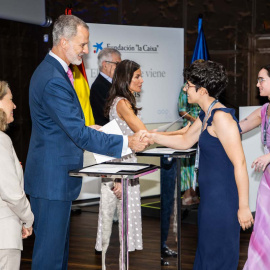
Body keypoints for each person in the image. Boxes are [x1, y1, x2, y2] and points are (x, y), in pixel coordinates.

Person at [24, 15, 149, 270]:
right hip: (51, 180)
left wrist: (84, 128)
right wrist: (126, 143)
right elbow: (78, 135)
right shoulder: (53, 79)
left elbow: (65, 126)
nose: (86, 50)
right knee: (50, 257)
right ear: (63, 41)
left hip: (54, 179)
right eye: (82, 44)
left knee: (57, 254)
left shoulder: (55, 71)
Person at [139, 60, 254, 269]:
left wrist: (244, 207)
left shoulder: (222, 118)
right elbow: (185, 141)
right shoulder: (206, 114)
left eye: (188, 85)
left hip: (223, 201)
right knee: (207, 255)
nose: (184, 89)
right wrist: (152, 137)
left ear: (202, 90)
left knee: (217, 257)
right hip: (210, 199)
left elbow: (240, 163)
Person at [95, 60, 189, 269]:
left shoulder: (123, 101)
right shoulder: (122, 103)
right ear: (125, 78)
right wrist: (179, 133)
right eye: (137, 76)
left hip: (126, 165)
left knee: (123, 226)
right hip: (120, 168)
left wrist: (176, 133)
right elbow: (144, 134)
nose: (141, 80)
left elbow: (142, 135)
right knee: (115, 225)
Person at [0, 81, 34, 270]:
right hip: (4, 236)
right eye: (10, 100)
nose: (14, 105)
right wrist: (28, 218)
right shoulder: (1, 141)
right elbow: (11, 193)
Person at [240, 64, 270, 269]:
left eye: (262, 79)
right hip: (268, 182)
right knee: (263, 230)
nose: (257, 84)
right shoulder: (265, 110)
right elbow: (237, 128)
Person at [90, 48, 121, 125]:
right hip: (108, 132)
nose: (120, 68)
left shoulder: (116, 83)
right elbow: (106, 114)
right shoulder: (98, 86)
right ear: (105, 65)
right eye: (117, 64)